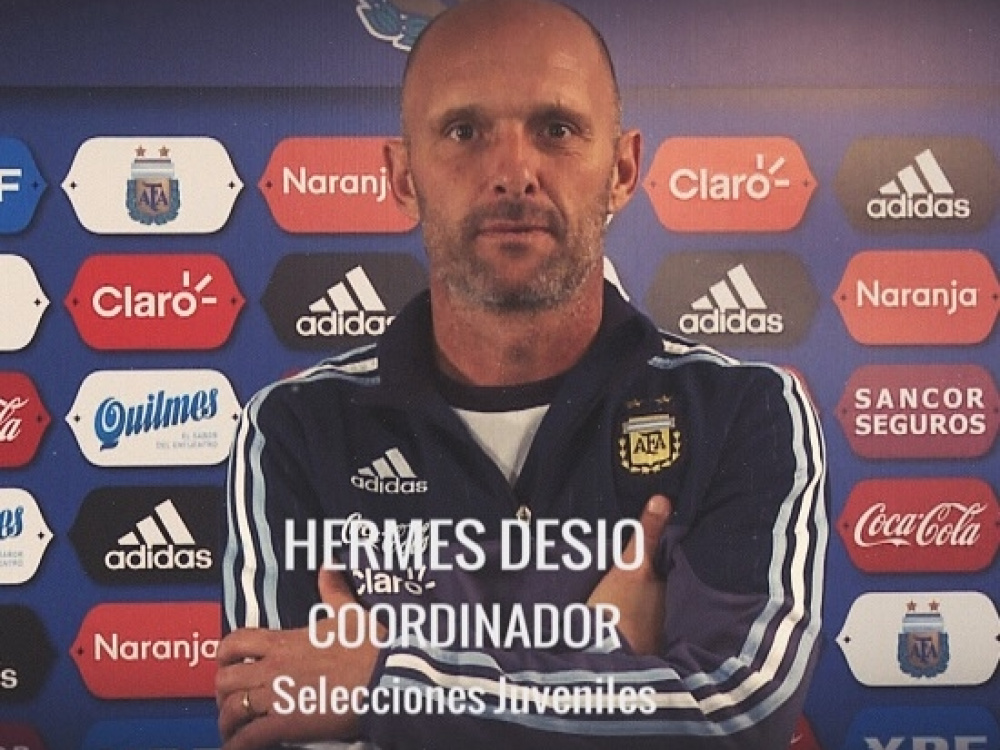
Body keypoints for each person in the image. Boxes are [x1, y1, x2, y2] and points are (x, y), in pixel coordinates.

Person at [215, 1, 829, 748]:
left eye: (557, 129)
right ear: (403, 177)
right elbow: (276, 716)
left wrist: (385, 686)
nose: (513, 173)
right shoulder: (297, 429)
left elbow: (736, 714)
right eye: (464, 131)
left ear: (622, 169)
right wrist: (611, 668)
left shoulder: (743, 413)